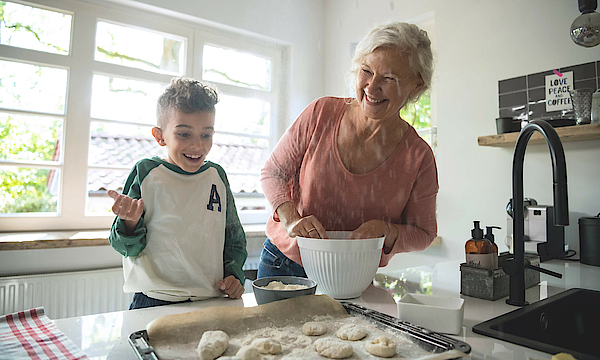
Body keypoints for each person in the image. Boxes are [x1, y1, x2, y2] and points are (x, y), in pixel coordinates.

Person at [257, 21, 438, 278]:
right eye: (366, 71)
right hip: (285, 264)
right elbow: (272, 172)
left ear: (416, 85)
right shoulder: (321, 113)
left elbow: (424, 233)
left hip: (354, 274)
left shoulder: (418, 157)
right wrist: (291, 219)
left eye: (389, 78)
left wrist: (389, 231)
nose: (371, 87)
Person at [108, 77, 247, 309]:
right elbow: (125, 247)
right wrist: (130, 223)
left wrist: (234, 275)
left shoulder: (217, 176)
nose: (197, 145)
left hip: (210, 299)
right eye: (184, 134)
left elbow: (233, 239)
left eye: (206, 135)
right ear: (160, 136)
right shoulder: (146, 172)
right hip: (153, 300)